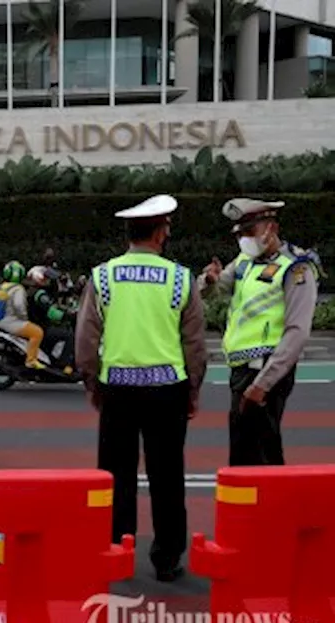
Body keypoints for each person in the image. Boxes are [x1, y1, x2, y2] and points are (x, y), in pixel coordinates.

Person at [75, 194, 209, 582]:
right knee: (168, 476)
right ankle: (166, 559)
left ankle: (118, 549)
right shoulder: (181, 277)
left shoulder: (102, 276)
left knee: (116, 475)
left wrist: (92, 382)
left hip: (117, 389)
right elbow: (194, 345)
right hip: (168, 390)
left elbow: (86, 339)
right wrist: (194, 389)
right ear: (160, 233)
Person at [199, 198, 322, 466]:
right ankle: (255, 503)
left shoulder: (296, 268)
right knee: (246, 448)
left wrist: (262, 384)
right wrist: (208, 280)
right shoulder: (246, 260)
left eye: (249, 232)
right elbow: (216, 288)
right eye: (240, 234)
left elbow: (297, 332)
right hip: (242, 368)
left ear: (271, 228)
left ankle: (268, 504)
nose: (243, 240)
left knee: (259, 451)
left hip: (267, 369)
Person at [0, 260, 45, 369]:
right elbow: (19, 306)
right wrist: (25, 318)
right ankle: (31, 360)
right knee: (37, 332)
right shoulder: (18, 289)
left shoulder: (3, 286)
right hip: (12, 322)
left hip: (0, 322)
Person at [26, 265, 76, 371]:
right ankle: (64, 363)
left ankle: (51, 360)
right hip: (42, 328)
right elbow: (51, 313)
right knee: (70, 336)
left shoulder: (35, 292)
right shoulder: (40, 294)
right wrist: (68, 316)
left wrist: (65, 310)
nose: (51, 282)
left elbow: (53, 307)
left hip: (39, 325)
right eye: (47, 279)